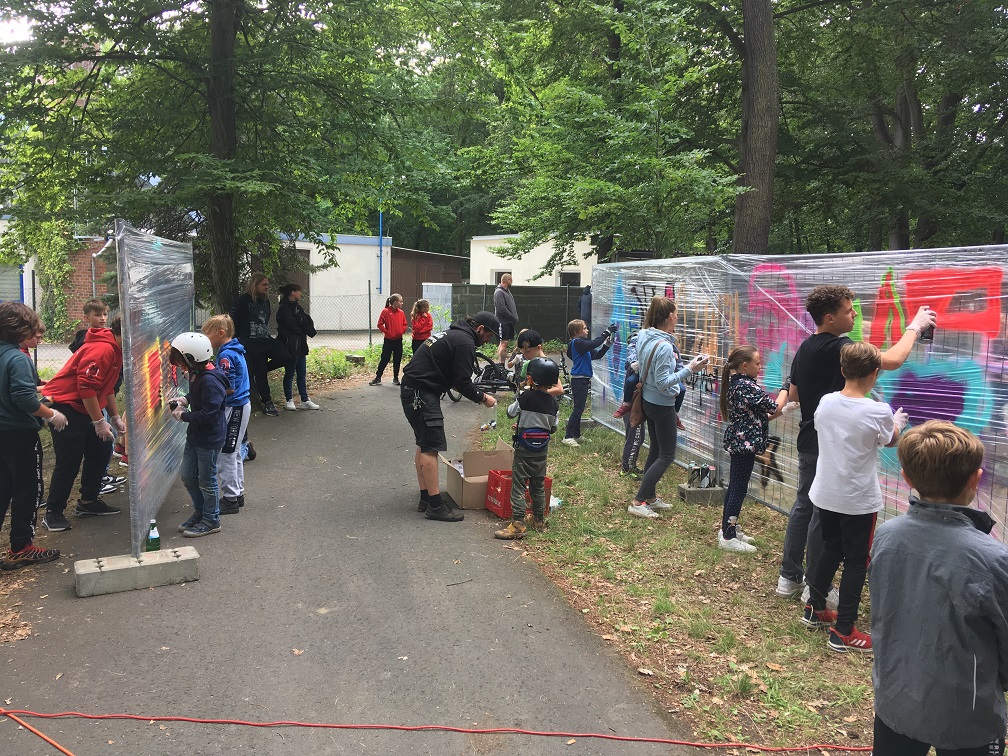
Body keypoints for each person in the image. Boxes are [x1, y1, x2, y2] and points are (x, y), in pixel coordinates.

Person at [776, 284, 936, 601]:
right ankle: (815, 588)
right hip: (832, 445)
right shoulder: (841, 347)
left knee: (804, 506)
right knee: (822, 515)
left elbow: (794, 393)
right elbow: (892, 359)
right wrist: (915, 328)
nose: (854, 315)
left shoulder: (806, 347)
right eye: (849, 311)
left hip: (808, 438)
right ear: (830, 318)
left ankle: (788, 577)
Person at [870, 421, 1008, 755]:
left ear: (906, 477)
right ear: (975, 479)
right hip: (968, 713)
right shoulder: (994, 559)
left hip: (895, 696)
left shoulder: (886, 536)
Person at [801, 341, 906, 652]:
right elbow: (889, 440)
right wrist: (897, 424)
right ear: (875, 374)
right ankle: (844, 630)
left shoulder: (826, 402)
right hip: (858, 499)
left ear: (843, 369)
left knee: (831, 548)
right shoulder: (878, 410)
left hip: (826, 492)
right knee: (857, 561)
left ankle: (814, 607)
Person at [400, 311, 500, 522]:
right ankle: (435, 506)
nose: (488, 340)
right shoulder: (465, 343)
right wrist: (484, 398)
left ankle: (426, 498)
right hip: (421, 393)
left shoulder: (454, 334)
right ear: (480, 328)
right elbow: (462, 382)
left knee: (424, 443)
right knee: (431, 447)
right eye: (488, 335)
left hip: (414, 389)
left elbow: (455, 379)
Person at [41, 314, 125, 532]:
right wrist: (99, 421)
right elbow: (86, 387)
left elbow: (107, 387)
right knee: (70, 459)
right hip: (66, 406)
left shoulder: (117, 349)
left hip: (85, 406)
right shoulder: (103, 350)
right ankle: (53, 513)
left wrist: (114, 417)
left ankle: (88, 501)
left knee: (101, 448)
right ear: (125, 332)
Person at [627, 297, 709, 519]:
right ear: (670, 316)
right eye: (677, 314)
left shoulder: (644, 335)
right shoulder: (663, 346)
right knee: (667, 455)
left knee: (656, 449)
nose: (677, 318)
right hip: (662, 404)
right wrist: (690, 368)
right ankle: (638, 501)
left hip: (648, 400)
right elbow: (664, 382)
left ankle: (650, 497)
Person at [0, 302, 66, 570]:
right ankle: (22, 547)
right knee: (28, 488)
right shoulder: (17, 358)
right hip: (19, 434)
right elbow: (23, 398)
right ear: (20, 328)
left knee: (3, 488)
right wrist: (50, 414)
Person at [717, 346, 794, 553]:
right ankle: (728, 536)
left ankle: (728, 528)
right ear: (745, 366)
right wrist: (786, 387)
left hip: (741, 443)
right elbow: (773, 407)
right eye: (757, 363)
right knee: (738, 488)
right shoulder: (746, 386)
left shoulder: (738, 384)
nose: (761, 367)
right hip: (744, 445)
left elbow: (760, 416)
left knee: (735, 486)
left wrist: (785, 410)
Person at [168, 332, 230, 537]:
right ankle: (201, 512)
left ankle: (211, 520)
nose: (180, 366)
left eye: (181, 361)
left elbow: (209, 414)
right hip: (195, 436)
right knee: (188, 476)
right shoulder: (198, 373)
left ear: (191, 358)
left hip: (209, 439)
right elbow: (197, 395)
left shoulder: (210, 381)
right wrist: (185, 399)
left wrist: (183, 416)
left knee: (206, 480)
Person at [494, 357, 560, 540]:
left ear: (532, 379)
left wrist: (520, 395)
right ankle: (539, 520)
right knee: (538, 486)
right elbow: (553, 428)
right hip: (542, 452)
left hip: (524, 450)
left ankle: (518, 524)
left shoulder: (525, 397)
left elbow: (510, 413)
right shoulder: (554, 403)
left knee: (519, 486)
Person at [202, 315, 251, 515]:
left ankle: (230, 499)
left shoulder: (226, 356)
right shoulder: (232, 351)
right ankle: (237, 494)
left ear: (221, 333)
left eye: (208, 334)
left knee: (226, 453)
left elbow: (229, 387)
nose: (205, 338)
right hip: (240, 406)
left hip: (234, 407)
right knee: (234, 451)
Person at [229, 273, 292, 417]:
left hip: (265, 340)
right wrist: (238, 340)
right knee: (260, 373)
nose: (267, 287)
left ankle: (257, 374)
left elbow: (265, 320)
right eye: (264, 285)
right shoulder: (243, 300)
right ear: (255, 285)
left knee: (286, 357)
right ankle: (267, 403)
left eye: (267, 284)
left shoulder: (265, 301)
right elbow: (232, 320)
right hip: (250, 343)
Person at [562, 318, 615, 447]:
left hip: (583, 379)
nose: (587, 330)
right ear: (576, 332)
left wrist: (607, 345)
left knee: (580, 408)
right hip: (579, 380)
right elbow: (594, 343)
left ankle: (576, 435)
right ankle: (568, 436)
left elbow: (597, 355)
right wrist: (607, 332)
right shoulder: (577, 342)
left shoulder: (582, 346)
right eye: (584, 328)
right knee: (578, 408)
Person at [276, 283, 320, 410]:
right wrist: (301, 325)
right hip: (290, 346)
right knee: (290, 373)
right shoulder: (284, 308)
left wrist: (301, 323)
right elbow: (291, 325)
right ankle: (289, 400)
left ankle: (304, 400)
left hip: (300, 345)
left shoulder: (298, 307)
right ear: (293, 292)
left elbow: (306, 321)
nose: (300, 293)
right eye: (299, 291)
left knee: (301, 373)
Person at [616, 330, 645, 476]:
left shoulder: (632, 364)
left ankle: (629, 465)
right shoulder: (635, 366)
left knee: (637, 437)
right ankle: (627, 468)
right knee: (635, 437)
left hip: (635, 405)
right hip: (634, 406)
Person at [512, 329, 564, 397]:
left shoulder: (546, 364)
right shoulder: (530, 362)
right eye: (522, 352)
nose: (525, 355)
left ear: (539, 347)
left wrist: (535, 393)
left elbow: (559, 389)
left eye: (528, 352)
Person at [370, 294, 408, 386]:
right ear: (395, 302)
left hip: (398, 340)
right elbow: (380, 324)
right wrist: (387, 332)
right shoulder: (386, 311)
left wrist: (401, 331)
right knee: (385, 358)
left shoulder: (401, 312)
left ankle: (396, 378)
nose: (402, 303)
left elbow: (405, 324)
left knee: (397, 359)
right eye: (400, 301)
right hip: (389, 340)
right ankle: (378, 377)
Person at [494, 274, 519, 364]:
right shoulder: (499, 292)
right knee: (503, 343)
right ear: (507, 280)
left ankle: (501, 364)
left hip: (509, 322)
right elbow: (502, 309)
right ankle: (501, 365)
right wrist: (513, 317)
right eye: (511, 280)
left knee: (505, 343)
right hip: (503, 322)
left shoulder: (507, 292)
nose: (512, 282)